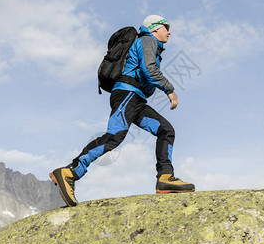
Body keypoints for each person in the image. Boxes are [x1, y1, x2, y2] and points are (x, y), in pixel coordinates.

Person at [49, 15, 195, 207]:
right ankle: (70, 172)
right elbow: (149, 69)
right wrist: (169, 90)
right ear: (154, 28)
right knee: (114, 137)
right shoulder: (147, 40)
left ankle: (165, 177)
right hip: (127, 95)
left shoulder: (150, 44)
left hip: (136, 100)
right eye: (166, 27)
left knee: (165, 130)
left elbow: (145, 73)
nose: (169, 32)